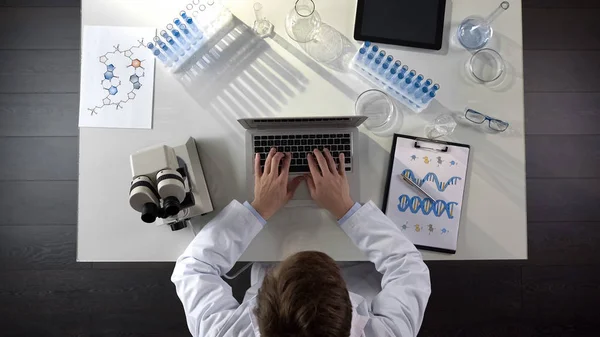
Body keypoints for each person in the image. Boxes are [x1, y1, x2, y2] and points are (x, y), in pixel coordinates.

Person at [172, 148, 431, 337]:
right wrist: (347, 209)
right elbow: (409, 268)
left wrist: (258, 209)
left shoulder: (224, 332)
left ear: (257, 309)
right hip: (360, 262)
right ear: (348, 302)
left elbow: (192, 267)